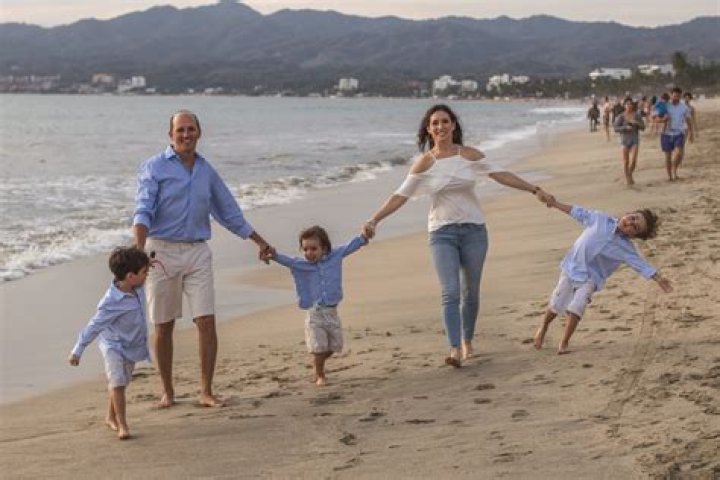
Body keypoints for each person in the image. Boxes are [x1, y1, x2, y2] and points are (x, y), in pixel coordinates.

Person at [361, 104, 554, 367]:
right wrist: (374, 219)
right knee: (450, 292)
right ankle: (454, 349)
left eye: (444, 121)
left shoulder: (469, 155)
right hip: (442, 233)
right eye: (435, 123)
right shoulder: (424, 163)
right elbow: (400, 195)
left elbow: (501, 175)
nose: (440, 126)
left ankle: (467, 341)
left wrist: (535, 189)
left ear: (453, 125)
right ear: (429, 129)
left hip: (474, 232)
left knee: (470, 292)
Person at [133, 110, 274, 408]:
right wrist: (138, 250)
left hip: (197, 251)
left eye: (191, 129)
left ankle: (206, 391)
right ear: (170, 135)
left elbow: (229, 212)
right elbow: (143, 210)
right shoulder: (154, 167)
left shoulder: (206, 171)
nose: (186, 135)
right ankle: (168, 392)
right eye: (180, 130)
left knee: (206, 320)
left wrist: (260, 242)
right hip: (161, 251)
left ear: (199, 133)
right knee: (163, 325)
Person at [533, 198, 673, 355]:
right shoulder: (600, 219)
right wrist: (555, 204)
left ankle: (564, 341)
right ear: (628, 213)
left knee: (577, 306)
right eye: (633, 218)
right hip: (572, 268)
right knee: (556, 303)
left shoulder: (626, 248)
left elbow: (640, 264)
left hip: (592, 278)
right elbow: (577, 212)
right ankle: (543, 327)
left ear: (634, 235)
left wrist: (658, 278)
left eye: (635, 227)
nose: (630, 223)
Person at [266, 225, 368, 386]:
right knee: (319, 347)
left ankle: (316, 361)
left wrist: (363, 237)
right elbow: (286, 260)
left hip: (332, 313)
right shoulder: (301, 264)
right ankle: (320, 375)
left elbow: (350, 246)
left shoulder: (335, 256)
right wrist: (273, 255)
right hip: (314, 314)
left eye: (313, 249)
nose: (309, 253)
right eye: (305, 249)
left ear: (324, 248)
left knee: (335, 346)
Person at [68, 247, 151, 440]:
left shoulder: (137, 288)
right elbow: (94, 325)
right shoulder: (111, 302)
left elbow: (142, 272)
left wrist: (146, 264)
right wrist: (77, 350)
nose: (147, 275)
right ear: (130, 276)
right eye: (144, 272)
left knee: (122, 382)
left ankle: (110, 416)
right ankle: (122, 424)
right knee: (117, 382)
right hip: (113, 345)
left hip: (130, 345)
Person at [657, 87, 694, 181]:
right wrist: (663, 119)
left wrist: (691, 133)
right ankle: (670, 176)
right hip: (666, 133)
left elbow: (688, 120)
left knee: (679, 153)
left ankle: (674, 170)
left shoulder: (684, 107)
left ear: (680, 96)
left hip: (679, 132)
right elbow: (656, 118)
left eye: (678, 96)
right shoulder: (665, 105)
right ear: (671, 95)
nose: (676, 98)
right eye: (674, 96)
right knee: (668, 156)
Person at [613, 97, 645, 185]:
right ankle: (627, 178)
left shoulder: (637, 115)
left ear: (633, 105)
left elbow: (643, 127)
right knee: (626, 161)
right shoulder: (621, 116)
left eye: (630, 104)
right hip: (624, 140)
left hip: (634, 140)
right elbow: (615, 128)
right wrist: (625, 128)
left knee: (634, 161)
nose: (629, 106)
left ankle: (630, 173)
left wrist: (637, 123)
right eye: (627, 104)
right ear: (624, 106)